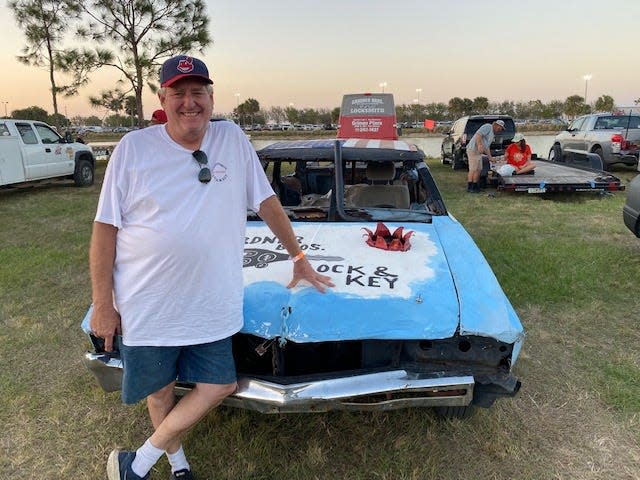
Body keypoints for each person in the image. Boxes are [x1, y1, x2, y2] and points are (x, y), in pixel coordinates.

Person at [90, 54, 335, 480]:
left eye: (197, 92)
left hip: (211, 303)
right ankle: (178, 464)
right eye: (179, 93)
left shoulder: (232, 139)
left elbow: (266, 201)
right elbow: (105, 230)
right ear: (163, 98)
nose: (190, 103)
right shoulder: (133, 149)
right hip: (148, 304)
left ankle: (139, 462)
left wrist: (298, 258)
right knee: (161, 391)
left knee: (219, 385)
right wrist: (102, 303)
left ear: (211, 97)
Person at [465, 120, 505, 193]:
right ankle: (470, 187)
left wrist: (490, 157)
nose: (500, 130)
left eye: (501, 128)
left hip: (479, 153)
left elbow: (487, 147)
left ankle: (475, 186)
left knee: (479, 169)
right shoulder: (488, 126)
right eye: (500, 127)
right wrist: (479, 145)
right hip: (473, 149)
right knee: (473, 169)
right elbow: (478, 135)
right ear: (495, 125)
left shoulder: (493, 134)